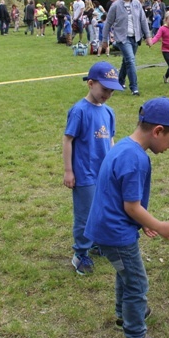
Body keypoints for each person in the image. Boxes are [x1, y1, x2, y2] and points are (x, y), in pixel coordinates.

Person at [84, 97, 169, 338]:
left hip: (107, 229)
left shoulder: (124, 146)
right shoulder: (136, 159)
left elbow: (122, 200)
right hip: (115, 235)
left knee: (125, 274)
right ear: (158, 131)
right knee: (136, 283)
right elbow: (131, 206)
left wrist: (142, 222)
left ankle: (124, 315)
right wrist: (158, 225)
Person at [63, 61, 124, 275]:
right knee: (85, 215)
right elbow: (68, 140)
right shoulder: (79, 111)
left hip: (103, 173)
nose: (108, 94)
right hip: (84, 174)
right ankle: (80, 253)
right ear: (90, 83)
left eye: (112, 90)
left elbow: (111, 139)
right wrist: (69, 171)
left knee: (103, 209)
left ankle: (97, 243)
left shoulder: (108, 112)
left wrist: (114, 165)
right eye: (104, 89)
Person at [102, 0, 152, 96]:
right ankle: (134, 88)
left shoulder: (137, 3)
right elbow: (108, 23)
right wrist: (104, 40)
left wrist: (148, 36)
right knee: (130, 60)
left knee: (126, 61)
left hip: (135, 37)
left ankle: (120, 82)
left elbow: (143, 20)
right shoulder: (115, 5)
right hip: (122, 38)